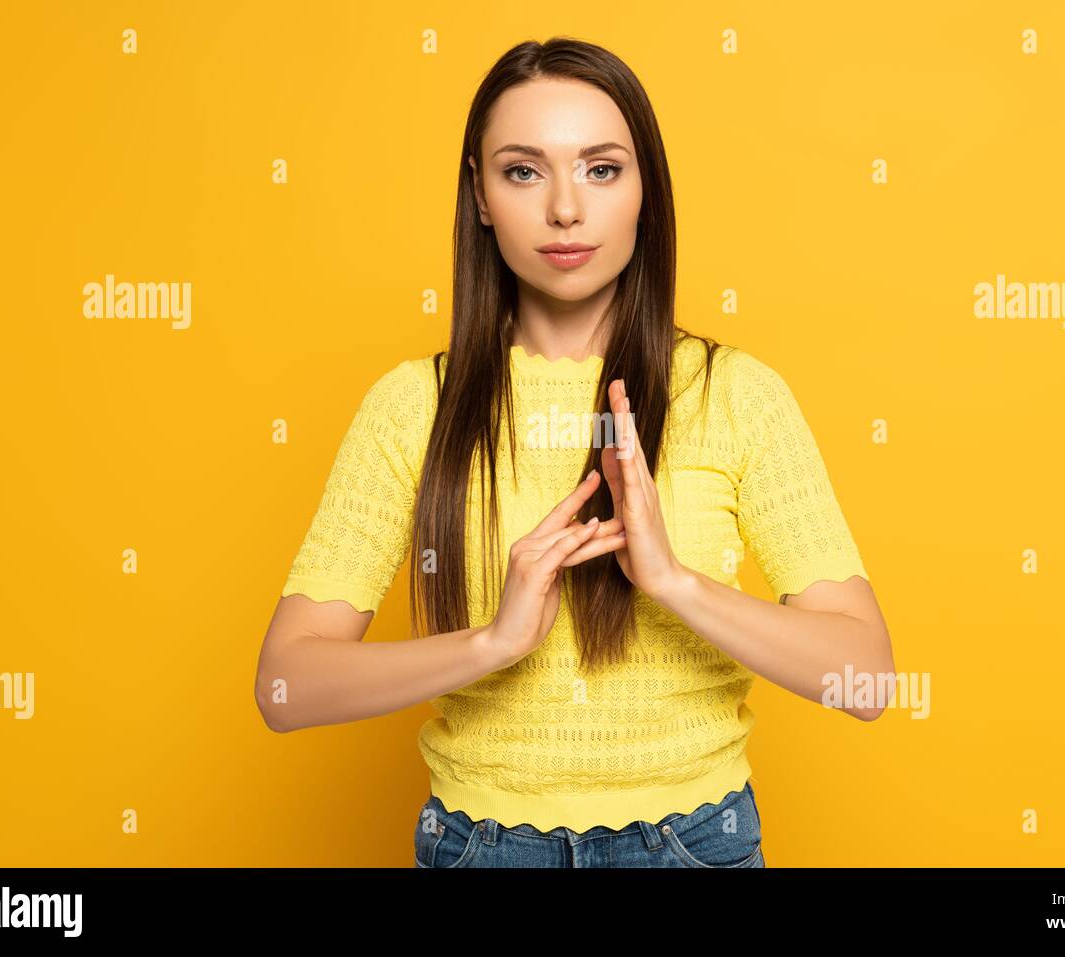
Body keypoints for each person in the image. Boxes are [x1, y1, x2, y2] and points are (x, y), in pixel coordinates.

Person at [254, 36, 893, 868]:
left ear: (645, 194)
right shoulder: (414, 406)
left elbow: (870, 679)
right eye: (523, 171)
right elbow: (284, 686)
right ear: (480, 195)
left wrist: (672, 581)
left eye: (601, 169)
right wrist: (492, 643)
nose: (565, 209)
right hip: (481, 847)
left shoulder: (735, 393)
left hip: (695, 843)